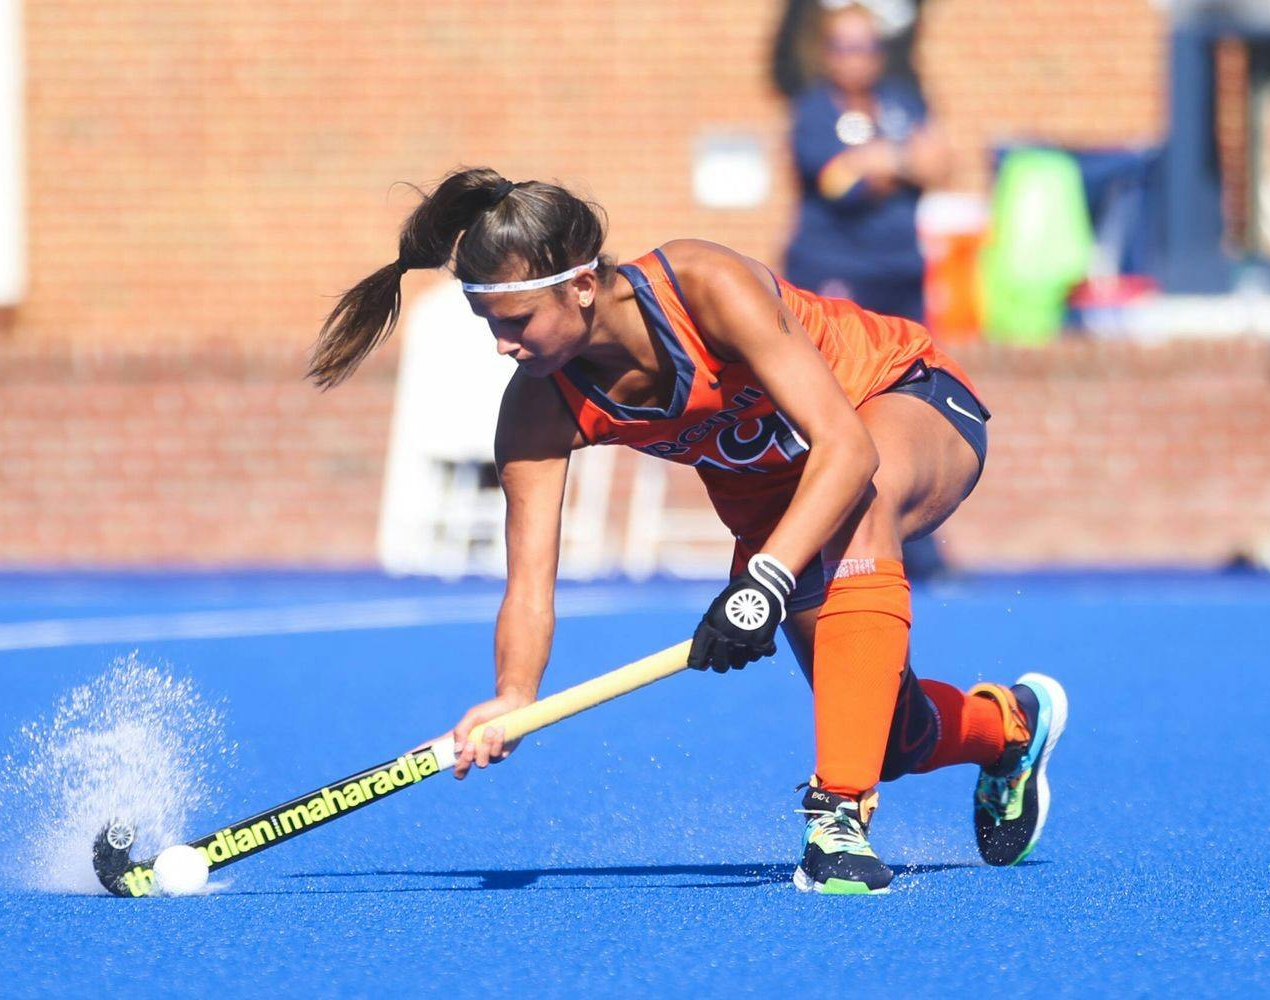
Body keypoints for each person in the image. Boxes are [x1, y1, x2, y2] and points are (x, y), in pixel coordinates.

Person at [308, 168, 1068, 894]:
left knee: (858, 513)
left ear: (579, 286)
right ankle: (1007, 727)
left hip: (897, 402)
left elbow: (846, 447)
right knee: (889, 735)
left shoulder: (703, 285)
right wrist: (514, 693)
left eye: (515, 322)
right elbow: (529, 583)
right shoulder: (537, 408)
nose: (502, 345)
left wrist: (765, 583)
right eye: (489, 325)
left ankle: (837, 818)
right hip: (781, 508)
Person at [782, 2, 948, 325]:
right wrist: (903, 160)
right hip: (835, 269)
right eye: (843, 47)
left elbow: (938, 164)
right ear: (826, 53)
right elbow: (837, 182)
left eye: (865, 47)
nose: (855, 58)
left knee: (914, 369)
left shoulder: (902, 101)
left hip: (901, 270)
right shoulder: (814, 110)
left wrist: (878, 160)